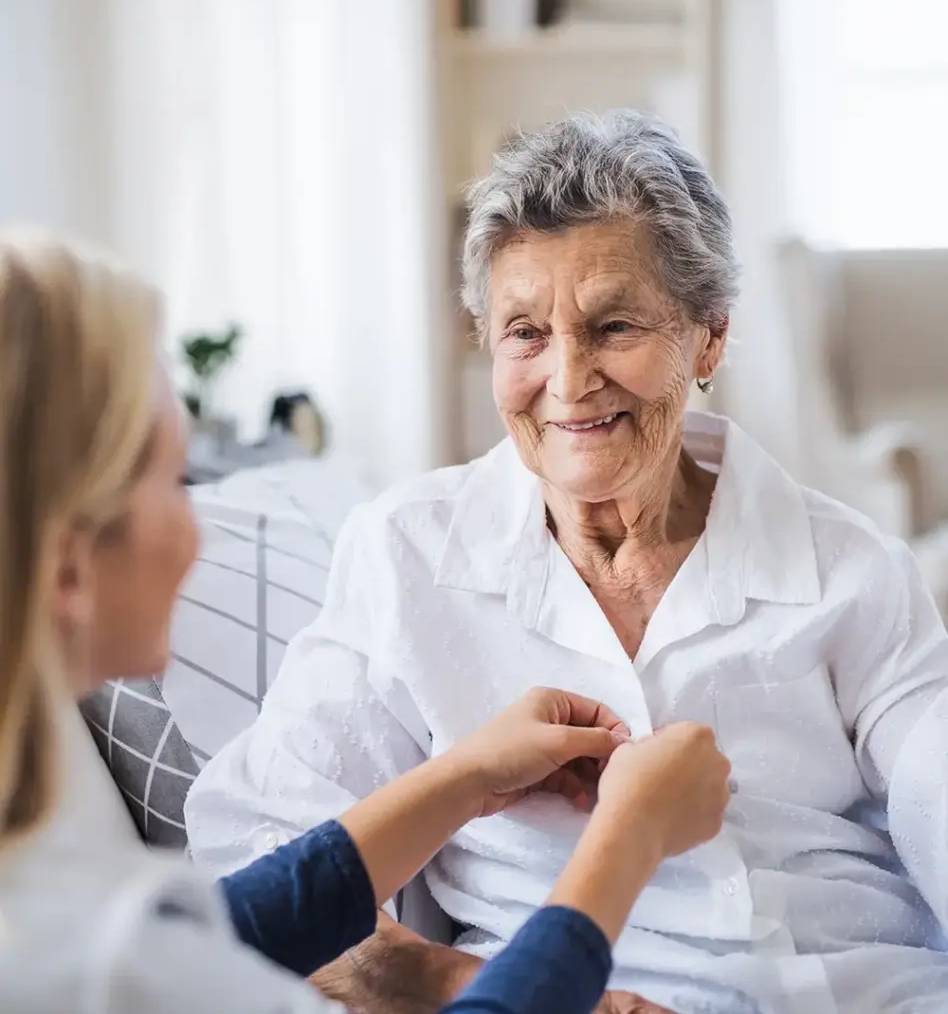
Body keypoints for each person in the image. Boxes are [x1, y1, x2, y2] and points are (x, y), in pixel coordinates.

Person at [186, 109, 948, 1014]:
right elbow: (255, 844)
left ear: (708, 337)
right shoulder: (409, 555)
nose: (569, 377)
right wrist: (445, 978)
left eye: (614, 325)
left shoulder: (852, 566)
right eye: (525, 333)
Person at [0, 236, 733, 1014]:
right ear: (72, 565)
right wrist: (627, 838)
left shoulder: (72, 906)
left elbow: (228, 928)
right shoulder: (93, 967)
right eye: (172, 484)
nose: (201, 531)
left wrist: (463, 777)